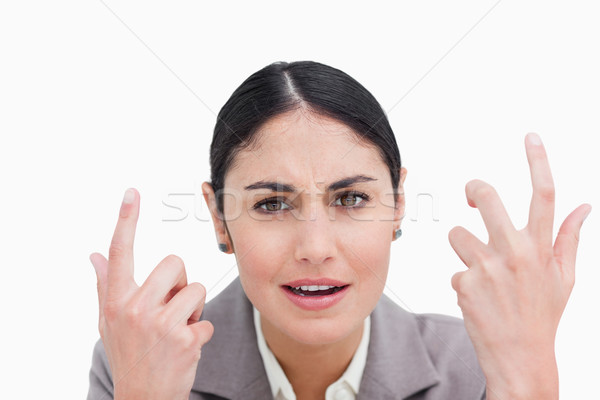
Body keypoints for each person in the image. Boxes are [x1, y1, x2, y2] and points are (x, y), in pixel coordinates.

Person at [87, 61, 591, 400]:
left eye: (351, 199)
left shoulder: (477, 363)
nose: (315, 248)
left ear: (397, 204)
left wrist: (529, 376)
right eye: (271, 203)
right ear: (220, 218)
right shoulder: (140, 360)